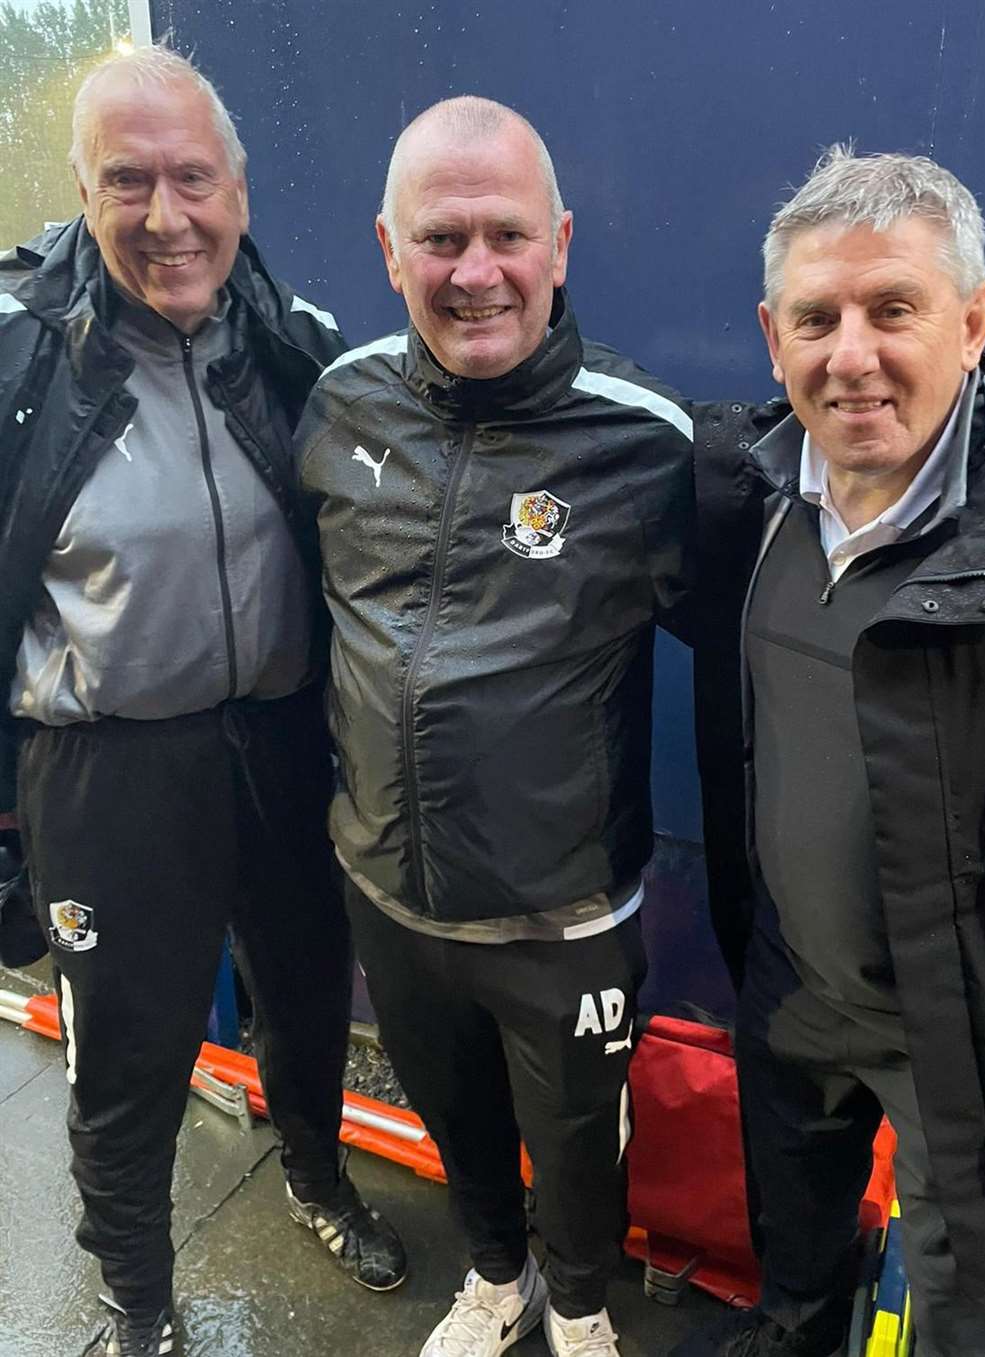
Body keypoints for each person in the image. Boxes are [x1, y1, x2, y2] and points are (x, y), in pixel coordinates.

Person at [0, 46, 405, 1357]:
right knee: (126, 1059)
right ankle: (139, 1300)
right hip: (110, 769)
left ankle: (316, 1176)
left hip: (284, 742)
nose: (166, 215)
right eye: (129, 180)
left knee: (302, 995)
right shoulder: (19, 365)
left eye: (192, 179)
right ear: (82, 188)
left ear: (237, 188)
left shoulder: (295, 344)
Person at [296, 95, 692, 1357]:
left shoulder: (651, 443)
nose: (476, 272)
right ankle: (496, 1278)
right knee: (458, 1117)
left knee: (578, 1144)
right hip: (389, 889)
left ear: (561, 244)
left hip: (563, 918)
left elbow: (783, 639)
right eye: (441, 238)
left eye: (507, 236)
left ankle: (578, 1308)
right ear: (387, 248)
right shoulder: (341, 405)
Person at [678, 146, 985, 1357]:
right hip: (793, 996)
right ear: (770, 334)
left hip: (980, 1039)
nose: (850, 355)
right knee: (793, 1273)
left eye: (892, 309)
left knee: (968, 1319)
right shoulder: (736, 498)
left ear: (974, 319)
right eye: (817, 318)